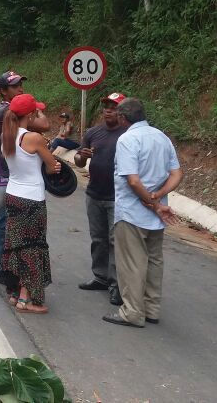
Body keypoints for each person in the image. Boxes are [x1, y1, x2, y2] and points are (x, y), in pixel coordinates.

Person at [102, 98, 183, 329]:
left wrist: (152, 201)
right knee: (155, 260)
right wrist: (159, 195)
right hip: (156, 216)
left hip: (133, 213)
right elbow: (176, 173)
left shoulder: (128, 139)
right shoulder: (161, 137)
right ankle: (151, 309)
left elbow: (134, 181)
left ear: (122, 118)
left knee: (132, 263)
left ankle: (132, 312)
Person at [0, 94, 60, 313]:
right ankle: (29, 299)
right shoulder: (34, 138)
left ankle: (16, 294)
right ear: (30, 114)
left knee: (16, 246)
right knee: (33, 247)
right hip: (32, 198)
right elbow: (53, 166)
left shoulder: (7, 135)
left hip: (13, 194)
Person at [74, 92, 128, 306]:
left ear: (122, 111)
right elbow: (78, 161)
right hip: (94, 193)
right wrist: (82, 157)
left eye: (114, 106)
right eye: (106, 105)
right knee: (98, 239)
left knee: (116, 242)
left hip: (118, 198)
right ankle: (100, 276)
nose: (108, 109)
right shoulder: (93, 132)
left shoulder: (128, 135)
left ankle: (116, 285)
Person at [0, 71, 26, 284]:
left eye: (21, 85)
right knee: (4, 222)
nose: (20, 89)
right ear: (4, 90)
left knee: (13, 223)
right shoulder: (6, 112)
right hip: (7, 174)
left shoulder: (15, 111)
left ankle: (8, 266)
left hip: (16, 175)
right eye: (15, 86)